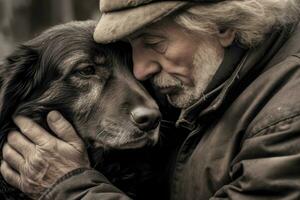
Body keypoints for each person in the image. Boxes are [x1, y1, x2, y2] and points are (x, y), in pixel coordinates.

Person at [1, 0, 300, 199]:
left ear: (220, 26)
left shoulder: (287, 117)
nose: (141, 71)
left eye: (154, 43)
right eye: (132, 53)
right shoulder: (202, 83)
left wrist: (68, 187)